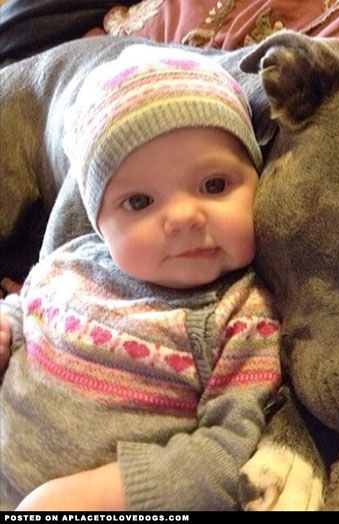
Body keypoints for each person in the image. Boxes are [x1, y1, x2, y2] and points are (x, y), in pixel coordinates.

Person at [0, 45, 281, 511]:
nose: (185, 216)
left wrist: (100, 497)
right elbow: (26, 309)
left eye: (214, 185)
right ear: (99, 223)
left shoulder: (243, 316)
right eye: (139, 202)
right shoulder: (71, 262)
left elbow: (231, 451)